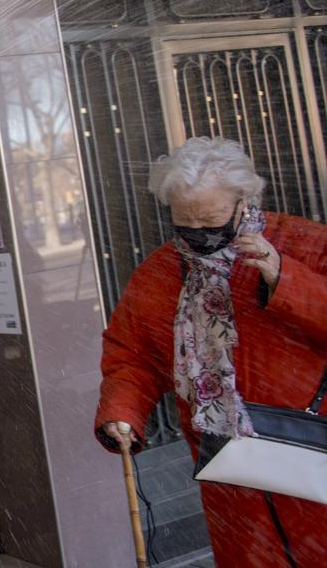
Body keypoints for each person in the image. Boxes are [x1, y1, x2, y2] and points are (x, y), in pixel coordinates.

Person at [95, 137, 327, 567]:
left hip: (311, 446)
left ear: (244, 201)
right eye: (187, 225)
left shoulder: (307, 244)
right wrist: (122, 410)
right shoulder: (160, 272)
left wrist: (283, 277)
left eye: (213, 221)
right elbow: (133, 354)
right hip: (229, 463)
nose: (201, 236)